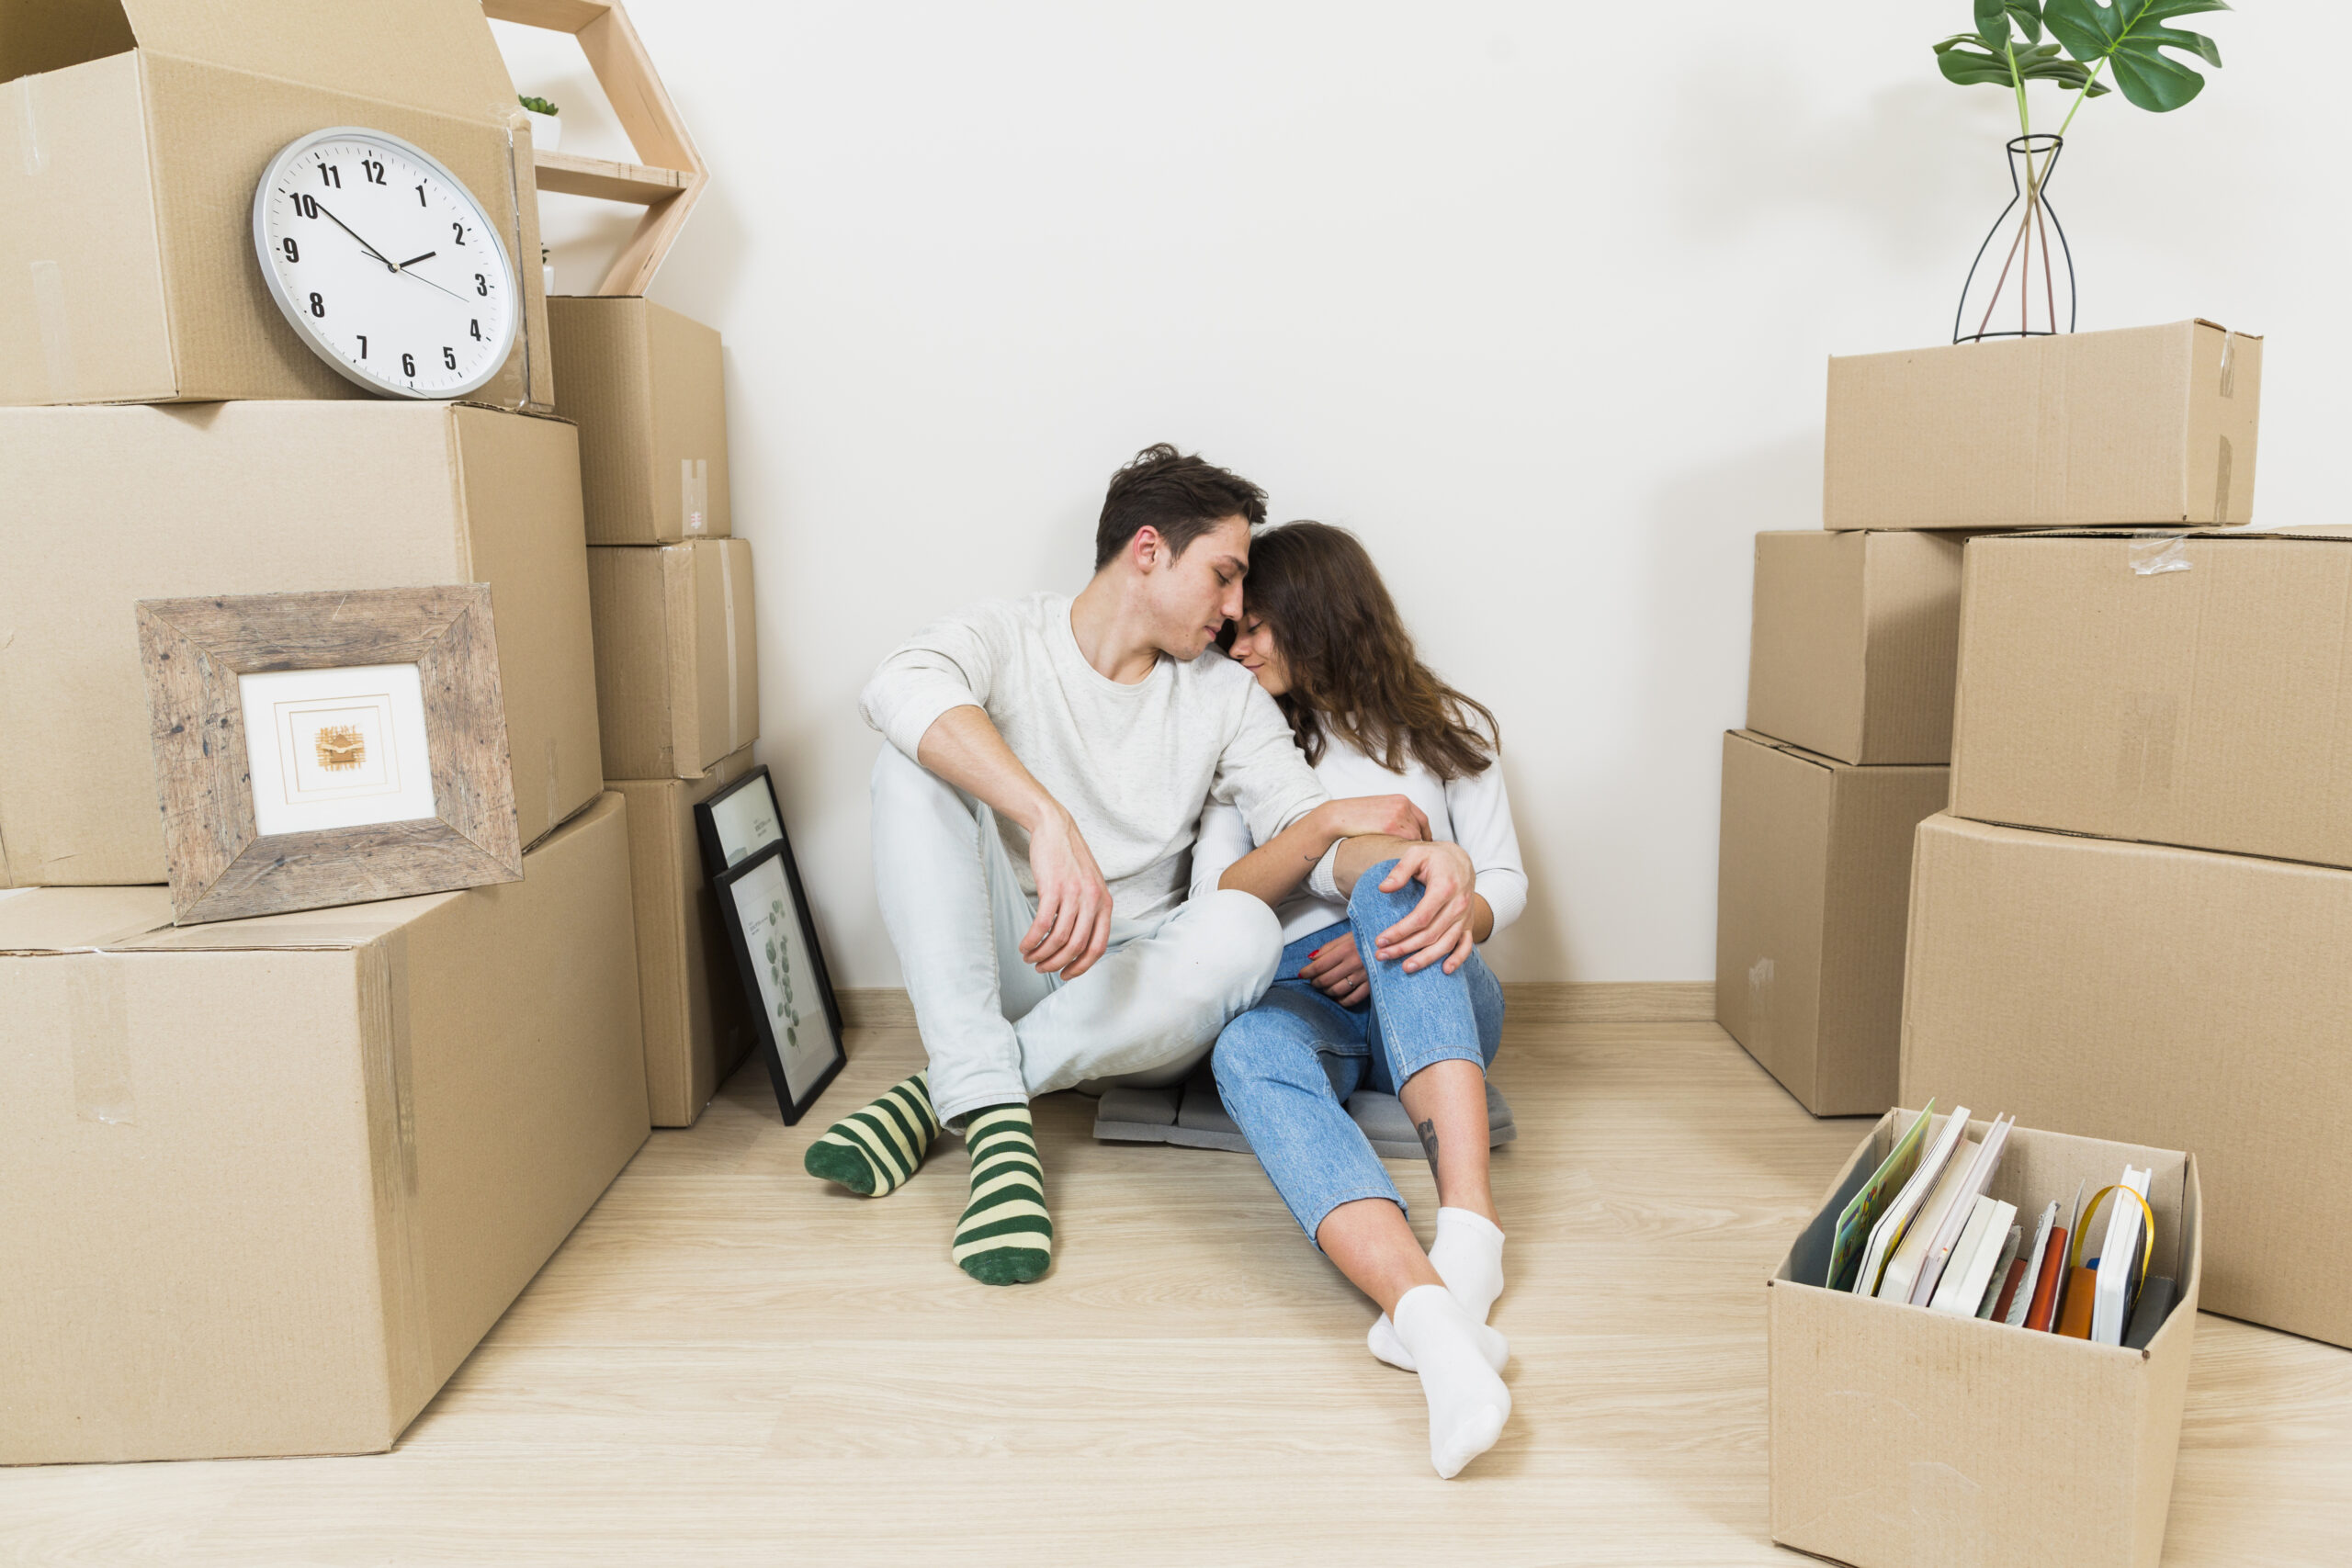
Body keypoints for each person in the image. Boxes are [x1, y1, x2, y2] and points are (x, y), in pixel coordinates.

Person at [806, 447, 1479, 1289]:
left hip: (1138, 1002)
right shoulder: (1008, 635)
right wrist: (1043, 817)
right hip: (1012, 959)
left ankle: (959, 1087)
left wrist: (1428, 858)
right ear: (1149, 550)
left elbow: (1306, 830)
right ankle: (993, 1110)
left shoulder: (1222, 696)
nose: (1235, 610)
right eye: (1225, 576)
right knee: (910, 760)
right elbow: (897, 685)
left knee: (1242, 927)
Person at [1193, 520, 1526, 1478]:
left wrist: (1424, 910)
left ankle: (1472, 1226)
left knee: (1397, 887)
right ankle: (1431, 1322)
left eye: (1256, 628)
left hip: (1441, 986)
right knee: (1242, 1055)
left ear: (1319, 617)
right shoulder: (1248, 748)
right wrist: (1325, 864)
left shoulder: (1449, 737)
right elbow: (1214, 901)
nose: (1238, 646)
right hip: (1310, 1007)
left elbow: (1505, 879)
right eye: (1230, 632)